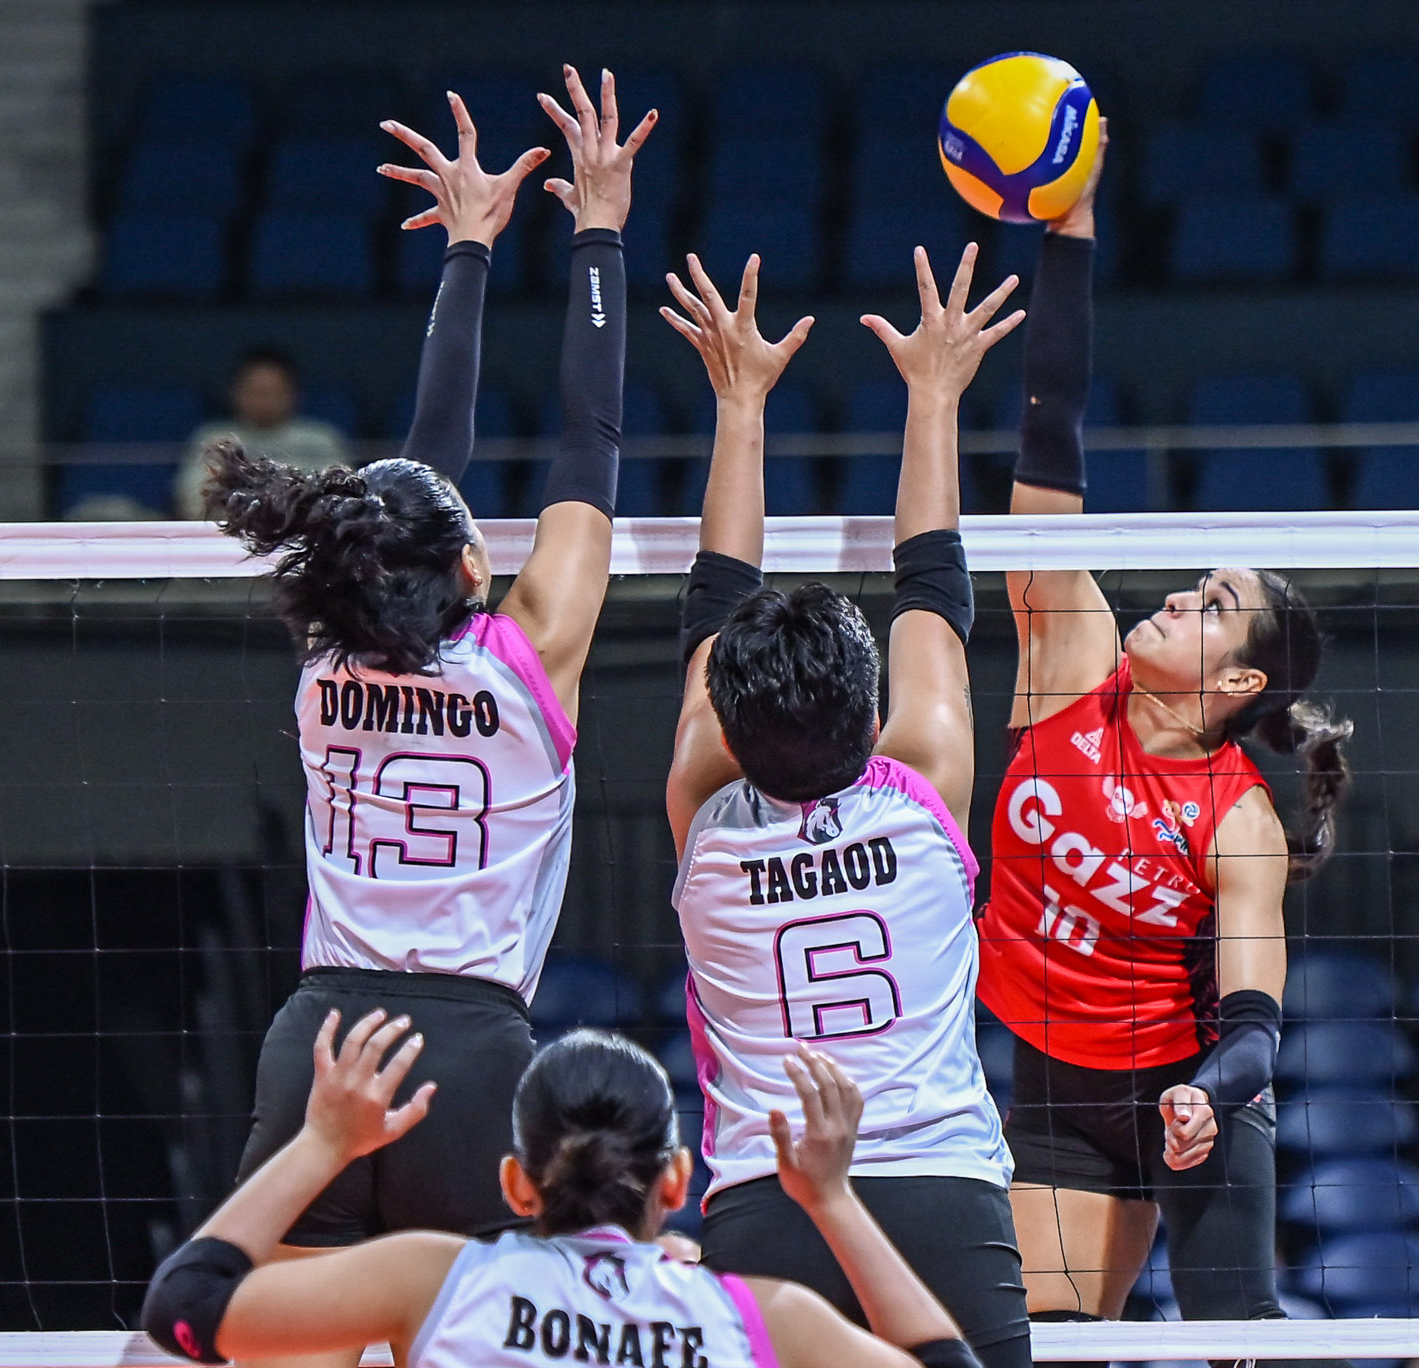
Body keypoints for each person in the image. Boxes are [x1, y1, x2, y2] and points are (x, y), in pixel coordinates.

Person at [199, 65, 655, 1333]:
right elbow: (589, 441)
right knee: (461, 1345)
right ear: (469, 568)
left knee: (279, 1344)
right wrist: (597, 232)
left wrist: (465, 248)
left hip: (321, 1037)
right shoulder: (532, 654)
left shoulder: (324, 659)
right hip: (468, 1047)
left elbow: (419, 467)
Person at [974, 127, 1354, 1367]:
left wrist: (1209, 1092)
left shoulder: (1237, 817)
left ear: (1238, 682)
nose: (1179, 597)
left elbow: (1252, 1022)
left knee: (1237, 1353)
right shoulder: (1068, 666)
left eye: (1209, 606)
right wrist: (1068, 239)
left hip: (1189, 1096)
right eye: (1193, 584)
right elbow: (1049, 446)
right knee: (1047, 1349)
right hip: (1053, 1083)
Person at [660, 243, 1030, 1368]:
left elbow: (714, 600)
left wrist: (738, 406)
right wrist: (934, 394)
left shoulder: (703, 812)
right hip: (942, 1197)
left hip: (764, 1197)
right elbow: (934, 581)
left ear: (727, 732)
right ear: (871, 717)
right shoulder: (924, 785)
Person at [144, 1012, 994, 1368]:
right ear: (675, 1180)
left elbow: (185, 1309)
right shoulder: (754, 1320)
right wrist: (831, 1199)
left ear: (517, 1184)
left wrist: (324, 1143)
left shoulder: (437, 1282)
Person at [174, 346, 353, 519]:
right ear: (235, 392)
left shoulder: (319, 438)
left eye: (273, 392)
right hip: (230, 531)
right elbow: (192, 500)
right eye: (255, 392)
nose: (264, 401)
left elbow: (341, 498)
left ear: (294, 394)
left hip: (305, 532)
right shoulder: (214, 437)